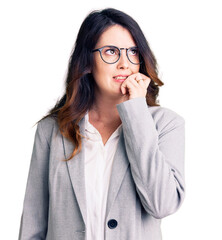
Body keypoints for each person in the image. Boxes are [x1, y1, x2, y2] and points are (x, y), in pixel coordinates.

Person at [18, 8, 185, 240]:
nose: (125, 63)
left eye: (133, 52)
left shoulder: (166, 125)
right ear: (87, 62)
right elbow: (33, 225)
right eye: (111, 52)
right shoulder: (52, 130)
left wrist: (136, 113)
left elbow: (162, 204)